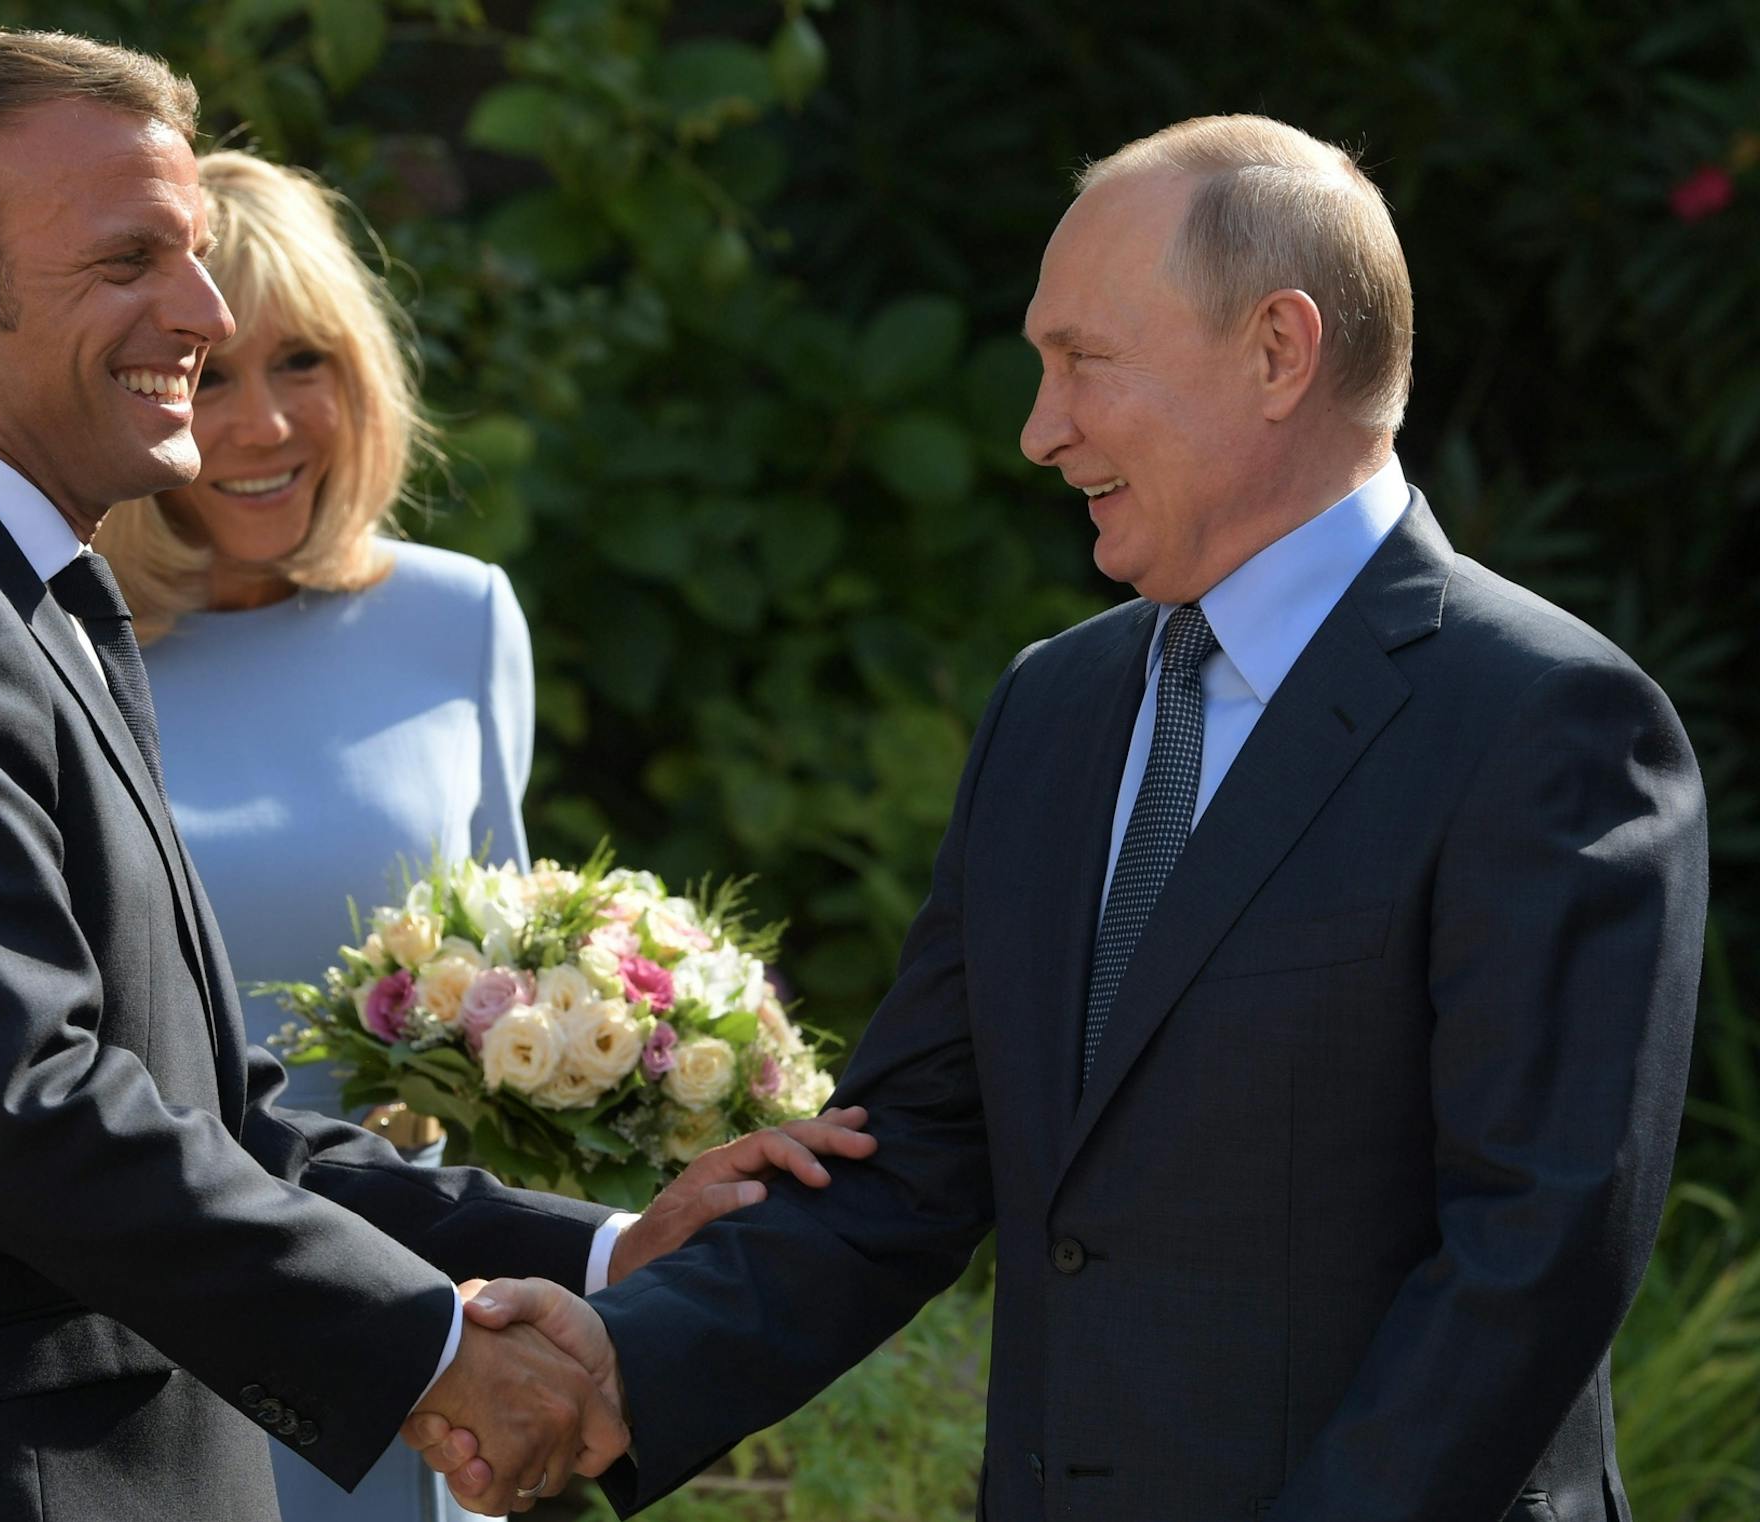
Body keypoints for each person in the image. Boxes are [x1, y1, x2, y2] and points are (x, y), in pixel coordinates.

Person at [0, 31, 870, 1522]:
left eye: (198, 254)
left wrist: (604, 1252)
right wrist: (435, 1354)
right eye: (129, 260)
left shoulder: (29, 605)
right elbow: (23, 1110)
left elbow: (220, 1115)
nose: (203, 311)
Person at [423, 115, 1709, 1521]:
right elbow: (909, 1151)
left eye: (1083, 361)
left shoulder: (1544, 722)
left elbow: (1531, 1259)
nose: (1040, 431)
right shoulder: (1055, 706)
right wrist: (623, 1353)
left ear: (1279, 349)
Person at [90, 146, 548, 1521]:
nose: (265, 424)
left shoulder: (460, 621)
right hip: (135, 1352)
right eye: (208, 373)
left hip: (407, 1350)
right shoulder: (52, 647)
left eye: (304, 362)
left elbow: (505, 994)